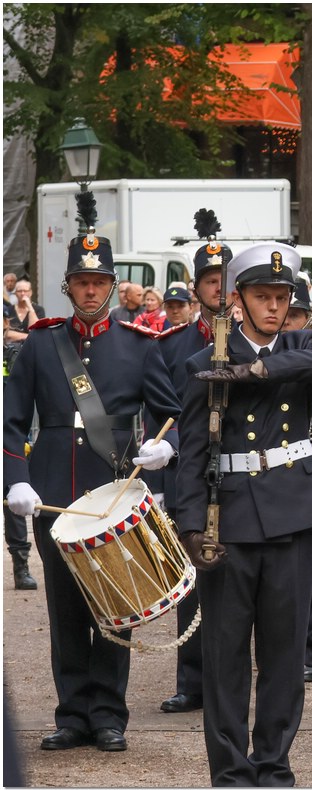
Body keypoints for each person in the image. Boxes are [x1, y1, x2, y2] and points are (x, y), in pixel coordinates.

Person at [4, 193, 181, 753]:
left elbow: (170, 413)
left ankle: (109, 714)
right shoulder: (39, 346)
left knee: (115, 605)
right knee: (64, 609)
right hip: (53, 488)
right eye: (81, 282)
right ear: (68, 287)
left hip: (116, 492)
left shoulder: (139, 345)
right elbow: (10, 420)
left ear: (110, 286)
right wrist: (15, 479)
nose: (90, 290)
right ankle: (71, 714)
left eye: (99, 282)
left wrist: (164, 450)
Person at [175, 242, 312, 785]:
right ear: (237, 300)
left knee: (283, 659)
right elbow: (191, 453)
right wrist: (187, 527)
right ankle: (230, 771)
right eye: (261, 296)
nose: (273, 307)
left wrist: (259, 370)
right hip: (228, 520)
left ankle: (274, 766)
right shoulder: (203, 363)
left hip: (294, 515)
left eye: (281, 297)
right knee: (225, 658)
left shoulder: (301, 346)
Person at [152, 212, 234, 716]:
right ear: (197, 287)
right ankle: (192, 679)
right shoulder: (173, 345)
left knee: (238, 578)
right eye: (209, 280)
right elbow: (161, 413)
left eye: (225, 280)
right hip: (188, 470)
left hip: (240, 469)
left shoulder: (248, 341)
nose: (217, 289)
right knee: (191, 575)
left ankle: (230, 678)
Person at [4, 279, 45, 345]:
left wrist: (30, 307)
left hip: (31, 348)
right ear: (15, 293)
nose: (23, 293)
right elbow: (6, 334)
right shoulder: (8, 310)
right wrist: (30, 337)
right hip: (12, 351)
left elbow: (35, 330)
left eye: (25, 291)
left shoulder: (38, 310)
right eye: (19, 291)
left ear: (30, 292)